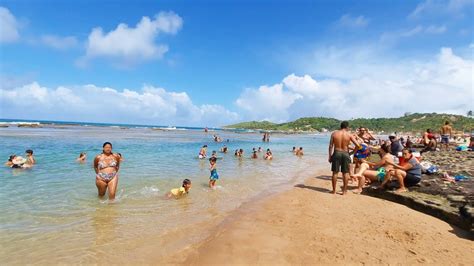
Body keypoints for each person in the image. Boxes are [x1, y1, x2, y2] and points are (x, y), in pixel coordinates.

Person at [328, 121, 360, 195]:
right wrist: (353, 152)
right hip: (345, 153)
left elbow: (330, 146)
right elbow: (358, 145)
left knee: (335, 172)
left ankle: (334, 191)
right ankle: (344, 191)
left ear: (340, 126)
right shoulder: (349, 134)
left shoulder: (334, 134)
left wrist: (330, 156)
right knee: (345, 173)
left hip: (336, 153)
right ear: (347, 127)